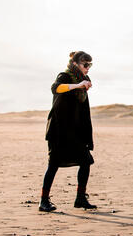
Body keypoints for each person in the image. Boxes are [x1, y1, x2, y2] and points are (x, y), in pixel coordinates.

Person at [40, 51, 97, 212]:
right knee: (53, 165)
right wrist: (79, 85)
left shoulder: (83, 81)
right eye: (85, 64)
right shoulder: (65, 76)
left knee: (86, 161)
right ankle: (43, 200)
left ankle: (80, 198)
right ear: (75, 64)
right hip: (59, 130)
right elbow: (55, 88)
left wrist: (82, 85)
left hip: (76, 131)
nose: (88, 68)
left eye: (90, 65)